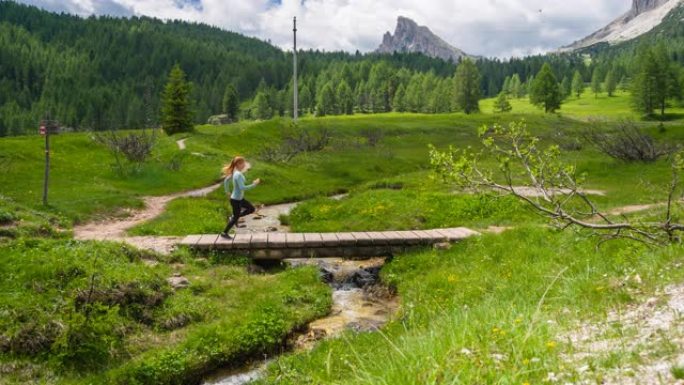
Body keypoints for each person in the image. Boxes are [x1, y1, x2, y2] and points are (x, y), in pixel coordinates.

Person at [221, 156, 261, 238]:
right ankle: (224, 233)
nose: (244, 165)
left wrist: (227, 191)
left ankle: (234, 217)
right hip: (236, 200)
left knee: (251, 209)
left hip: (239, 199)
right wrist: (254, 184)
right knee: (236, 216)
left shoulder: (235, 172)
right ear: (238, 164)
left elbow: (226, 181)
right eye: (243, 163)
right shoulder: (238, 174)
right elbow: (243, 187)